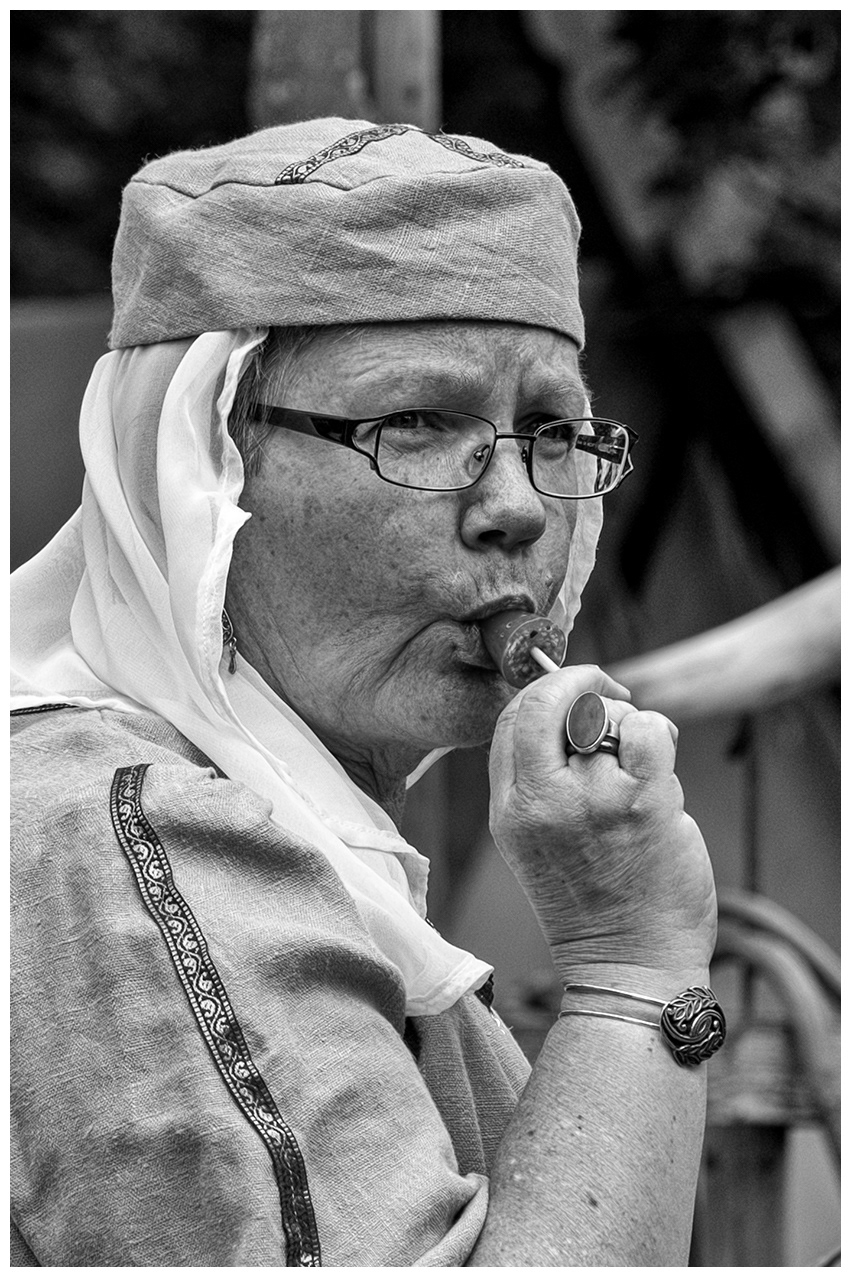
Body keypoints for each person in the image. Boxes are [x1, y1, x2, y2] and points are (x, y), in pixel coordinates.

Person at [10, 117, 722, 1267]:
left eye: (550, 429)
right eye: (416, 423)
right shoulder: (137, 849)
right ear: (200, 468)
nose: (518, 506)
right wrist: (630, 959)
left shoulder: (278, 819)